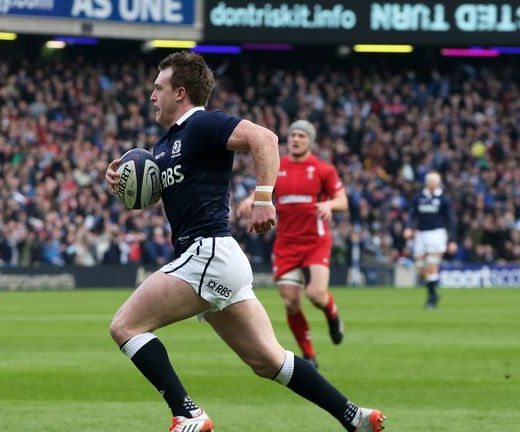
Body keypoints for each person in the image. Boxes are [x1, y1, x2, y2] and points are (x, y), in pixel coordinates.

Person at [105, 52, 384, 432]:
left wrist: (264, 197)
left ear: (181, 93)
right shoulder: (166, 144)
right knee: (269, 361)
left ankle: (188, 413)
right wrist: (125, 186)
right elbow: (160, 194)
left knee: (125, 327)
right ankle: (355, 417)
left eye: (159, 87)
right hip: (219, 260)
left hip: (206, 252)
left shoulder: (203, 124)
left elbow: (263, 137)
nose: (152, 95)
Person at [238, 120, 348, 369]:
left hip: (315, 241)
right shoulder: (280, 165)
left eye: (301, 136)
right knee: (290, 302)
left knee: (316, 296)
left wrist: (329, 205)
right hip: (286, 243)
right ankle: (309, 355)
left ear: (310, 140)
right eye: (293, 135)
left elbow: (342, 200)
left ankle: (332, 315)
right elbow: (265, 187)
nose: (296, 139)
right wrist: (249, 200)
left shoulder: (323, 169)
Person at [403, 171, 457, 309]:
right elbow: (412, 215)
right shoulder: (418, 198)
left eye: (434, 180)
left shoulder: (444, 199)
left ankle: (431, 299)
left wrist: (452, 240)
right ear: (426, 182)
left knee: (431, 266)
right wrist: (409, 228)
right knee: (421, 270)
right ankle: (433, 292)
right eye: (430, 180)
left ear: (439, 183)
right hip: (420, 234)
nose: (432, 183)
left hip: (437, 234)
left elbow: (450, 220)